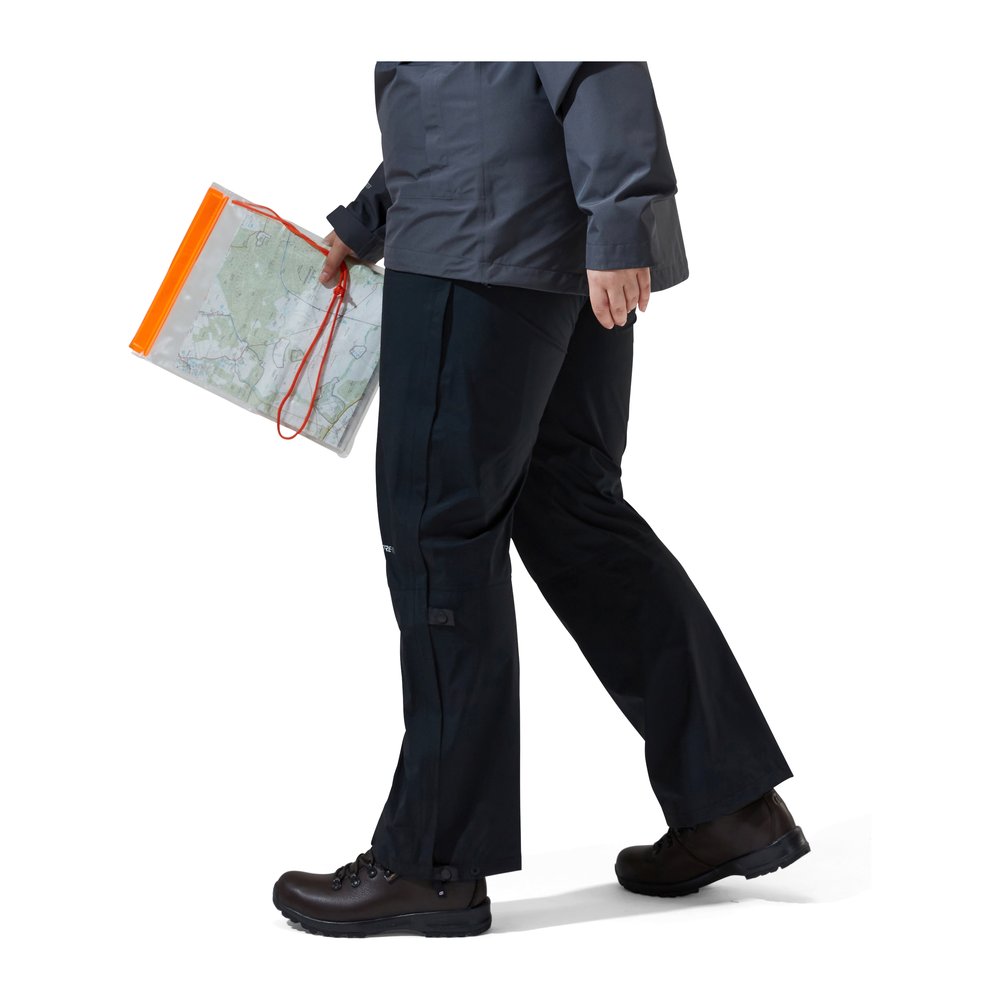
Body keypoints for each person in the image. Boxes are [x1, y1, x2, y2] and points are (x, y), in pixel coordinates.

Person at [272, 61, 809, 939]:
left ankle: (433, 863)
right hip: (551, 240)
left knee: (439, 530)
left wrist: (623, 216)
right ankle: (728, 802)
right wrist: (373, 214)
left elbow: (584, 48)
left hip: (478, 247)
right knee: (573, 512)